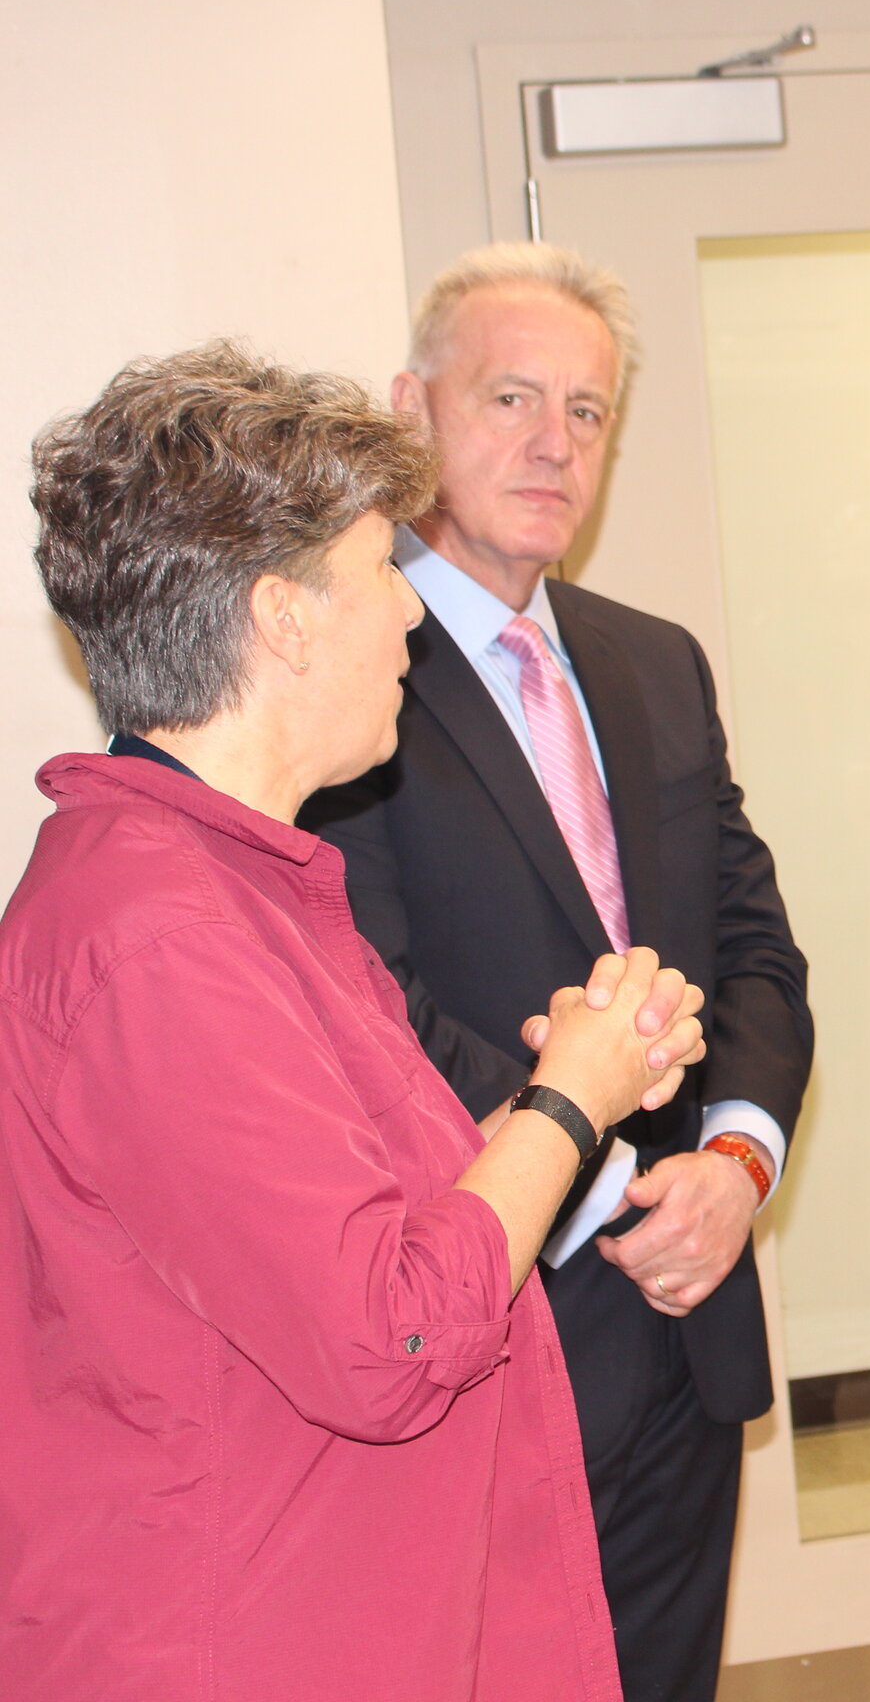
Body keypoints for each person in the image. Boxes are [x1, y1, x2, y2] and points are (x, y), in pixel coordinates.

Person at [0, 343, 711, 1699]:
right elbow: (386, 1333)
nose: (410, 621)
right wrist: (566, 1101)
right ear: (284, 616)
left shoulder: (235, 892)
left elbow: (381, 1218)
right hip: (250, 1640)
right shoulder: (155, 936)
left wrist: (592, 1074)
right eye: (384, 571)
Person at [301, 244, 813, 1702]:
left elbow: (754, 945)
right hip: (492, 1326)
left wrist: (732, 1166)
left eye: (587, 412)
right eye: (510, 397)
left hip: (687, 1315)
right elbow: (371, 1002)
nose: (552, 443)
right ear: (413, 411)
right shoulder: (351, 671)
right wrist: (594, 1183)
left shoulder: (655, 663)